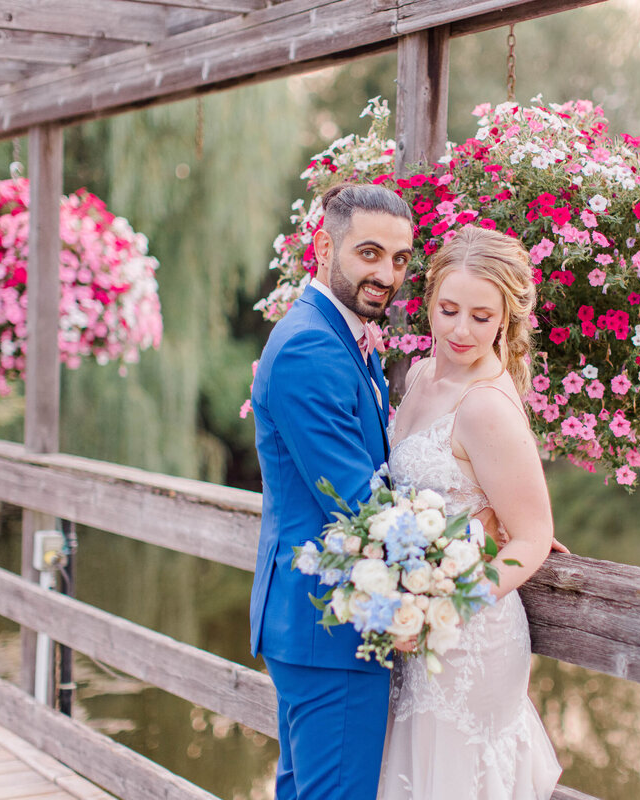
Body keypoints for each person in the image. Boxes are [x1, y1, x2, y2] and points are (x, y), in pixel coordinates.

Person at [377, 226, 563, 799]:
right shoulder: (423, 373)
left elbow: (533, 536)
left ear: (505, 319)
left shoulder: (486, 406)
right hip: (415, 627)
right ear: (429, 302)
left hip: (469, 636)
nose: (460, 330)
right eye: (449, 309)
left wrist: (446, 603)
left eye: (481, 318)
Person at [248, 183, 414, 800]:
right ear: (325, 246)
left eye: (399, 259)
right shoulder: (312, 347)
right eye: (369, 253)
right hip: (332, 625)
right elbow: (358, 503)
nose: (386, 273)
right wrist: (484, 545)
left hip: (315, 622)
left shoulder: (341, 334)